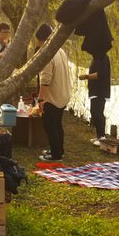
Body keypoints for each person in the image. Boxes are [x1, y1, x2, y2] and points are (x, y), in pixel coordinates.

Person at [34, 24, 71, 162]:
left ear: (42, 40)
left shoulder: (48, 54)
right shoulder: (60, 50)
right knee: (57, 123)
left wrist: (41, 99)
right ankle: (59, 150)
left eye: (38, 41)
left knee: (50, 125)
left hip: (53, 96)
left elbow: (45, 81)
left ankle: (55, 155)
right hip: (63, 94)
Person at [79, 52, 111, 146]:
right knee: (94, 112)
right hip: (94, 90)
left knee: (98, 112)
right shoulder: (97, 57)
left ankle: (102, 137)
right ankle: (98, 136)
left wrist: (86, 76)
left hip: (100, 91)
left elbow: (101, 74)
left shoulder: (103, 58)